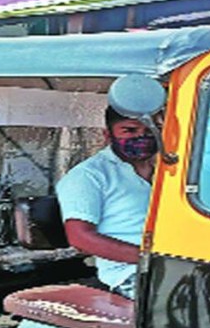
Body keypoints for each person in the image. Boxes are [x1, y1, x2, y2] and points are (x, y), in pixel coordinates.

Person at [56, 106, 158, 299]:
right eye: (130, 130)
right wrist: (153, 259)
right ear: (108, 135)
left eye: (150, 130)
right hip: (132, 274)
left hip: (183, 263)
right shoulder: (88, 175)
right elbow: (80, 238)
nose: (142, 137)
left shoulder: (170, 170)